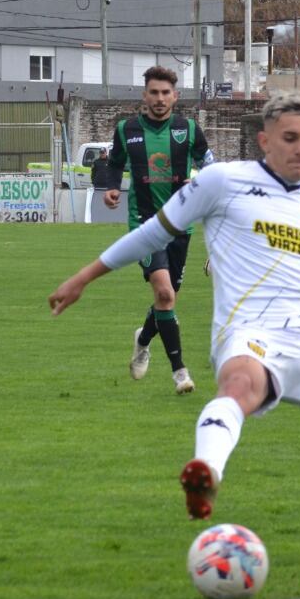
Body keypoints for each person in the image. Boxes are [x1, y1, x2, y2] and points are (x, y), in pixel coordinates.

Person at [49, 92, 300, 548]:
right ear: (264, 140)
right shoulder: (222, 181)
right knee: (239, 388)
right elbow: (153, 232)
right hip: (249, 334)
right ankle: (206, 475)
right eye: (291, 138)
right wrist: (84, 276)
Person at [100, 65, 214, 394]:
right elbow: (115, 162)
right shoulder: (127, 130)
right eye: (154, 92)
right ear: (144, 95)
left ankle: (143, 338)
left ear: (175, 97)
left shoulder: (189, 130)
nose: (160, 99)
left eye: (166, 93)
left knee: (167, 300)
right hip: (145, 224)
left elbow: (210, 164)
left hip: (181, 225)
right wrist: (111, 187)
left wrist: (206, 181)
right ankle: (180, 372)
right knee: (164, 294)